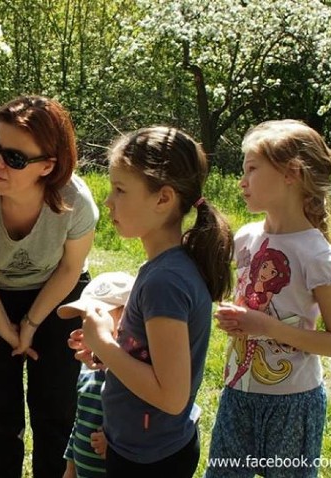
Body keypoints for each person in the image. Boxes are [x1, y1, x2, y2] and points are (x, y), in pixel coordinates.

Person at [0, 95, 99, 477]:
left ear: (48, 165)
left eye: (14, 158)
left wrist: (30, 325)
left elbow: (69, 269)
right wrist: (6, 329)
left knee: (58, 410)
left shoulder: (75, 201)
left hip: (58, 297)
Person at [70, 126, 234, 477]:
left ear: (163, 199)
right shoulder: (164, 267)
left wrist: (106, 344)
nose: (108, 201)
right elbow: (154, 355)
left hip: (149, 461)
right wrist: (111, 346)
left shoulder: (165, 281)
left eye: (120, 189)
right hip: (142, 446)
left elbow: (171, 396)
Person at [205, 119, 331, 478]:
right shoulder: (245, 238)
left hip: (293, 402)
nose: (242, 181)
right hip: (238, 393)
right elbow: (250, 302)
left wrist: (266, 327)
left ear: (292, 174)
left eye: (252, 169)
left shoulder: (316, 254)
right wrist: (236, 317)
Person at [57, 271, 136, 478]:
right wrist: (70, 467)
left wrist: (118, 446)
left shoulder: (136, 374)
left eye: (96, 318)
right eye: (84, 319)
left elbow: (146, 425)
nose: (87, 327)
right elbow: (81, 418)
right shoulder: (87, 367)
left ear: (128, 317)